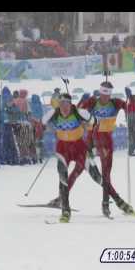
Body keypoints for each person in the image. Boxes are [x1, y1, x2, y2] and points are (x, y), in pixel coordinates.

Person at [41, 93, 98, 223]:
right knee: (67, 176)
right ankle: (63, 203)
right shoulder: (64, 111)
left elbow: (92, 124)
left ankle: (60, 199)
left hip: (80, 149)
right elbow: (47, 121)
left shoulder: (80, 111)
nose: (64, 106)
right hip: (67, 149)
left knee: (76, 173)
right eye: (61, 104)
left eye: (66, 103)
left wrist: (86, 127)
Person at [83, 81, 135, 218]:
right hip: (90, 141)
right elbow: (77, 111)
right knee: (95, 176)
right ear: (99, 92)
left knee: (106, 175)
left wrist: (131, 99)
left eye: (107, 95)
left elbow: (130, 109)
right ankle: (62, 198)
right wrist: (82, 103)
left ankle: (106, 204)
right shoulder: (92, 102)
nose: (105, 98)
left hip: (106, 142)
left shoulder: (116, 103)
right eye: (103, 94)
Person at [125, 87, 135, 156]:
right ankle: (131, 150)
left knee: (132, 136)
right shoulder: (132, 101)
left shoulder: (128, 102)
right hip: (134, 120)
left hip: (129, 119)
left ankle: (131, 150)